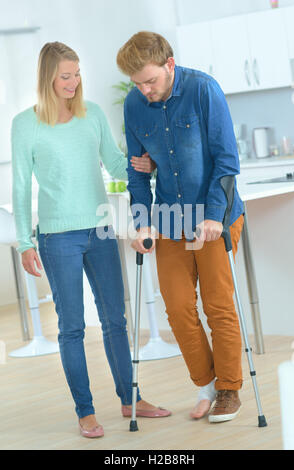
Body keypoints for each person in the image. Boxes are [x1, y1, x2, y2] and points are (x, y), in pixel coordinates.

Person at [11, 41, 171, 439]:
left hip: (100, 230)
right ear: (48, 76)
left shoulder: (92, 114)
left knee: (115, 319)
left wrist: (144, 164)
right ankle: (85, 411)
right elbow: (18, 186)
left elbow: (116, 164)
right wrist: (24, 242)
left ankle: (129, 398)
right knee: (72, 327)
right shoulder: (25, 124)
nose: (73, 82)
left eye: (77, 73)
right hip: (55, 236)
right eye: (65, 75)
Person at [117, 31, 245, 423]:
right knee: (176, 308)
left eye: (150, 80)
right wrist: (141, 223)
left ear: (169, 65)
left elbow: (226, 161)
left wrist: (212, 215)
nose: (144, 89)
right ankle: (206, 385)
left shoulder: (204, 90)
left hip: (214, 217)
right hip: (170, 220)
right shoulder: (134, 105)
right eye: (137, 83)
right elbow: (137, 173)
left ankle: (228, 390)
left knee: (217, 305)